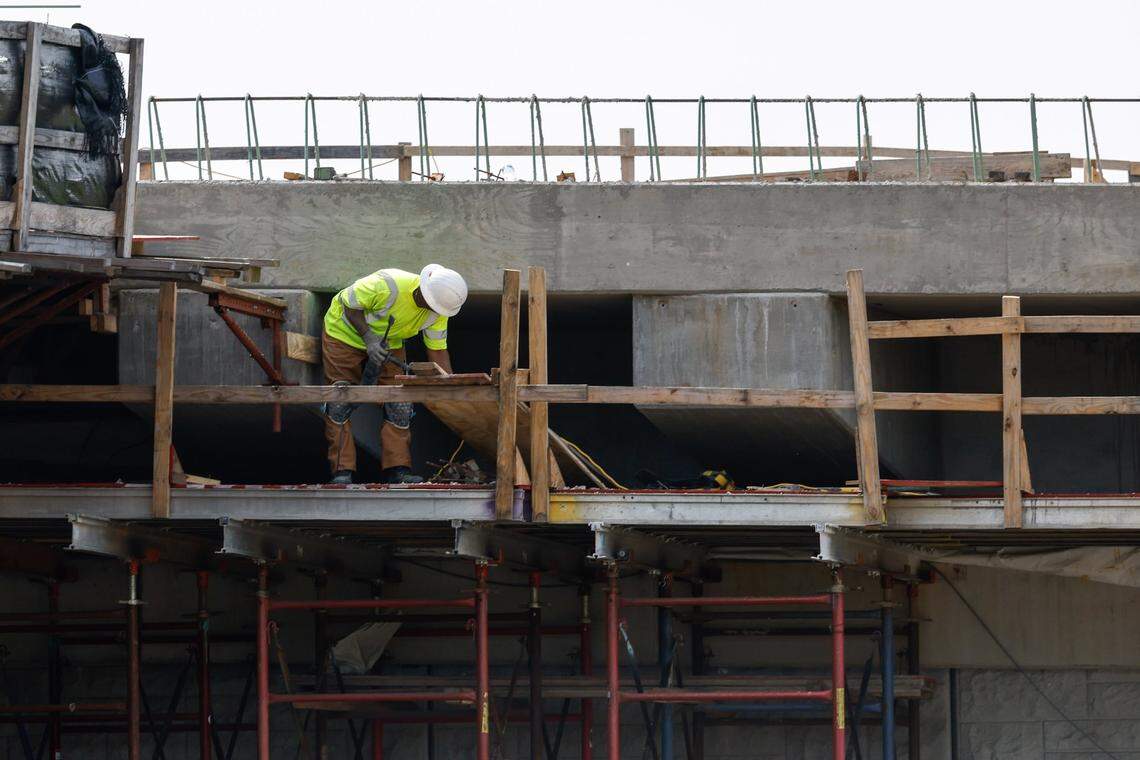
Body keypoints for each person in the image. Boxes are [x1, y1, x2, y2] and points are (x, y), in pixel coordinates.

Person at [322, 264, 467, 484]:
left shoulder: (439, 310)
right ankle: (342, 471)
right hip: (343, 335)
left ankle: (398, 470)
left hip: (389, 342)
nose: (436, 312)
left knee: (400, 403)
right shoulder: (387, 285)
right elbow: (349, 304)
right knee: (339, 401)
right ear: (423, 293)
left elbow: (437, 351)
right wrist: (368, 338)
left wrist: (450, 388)